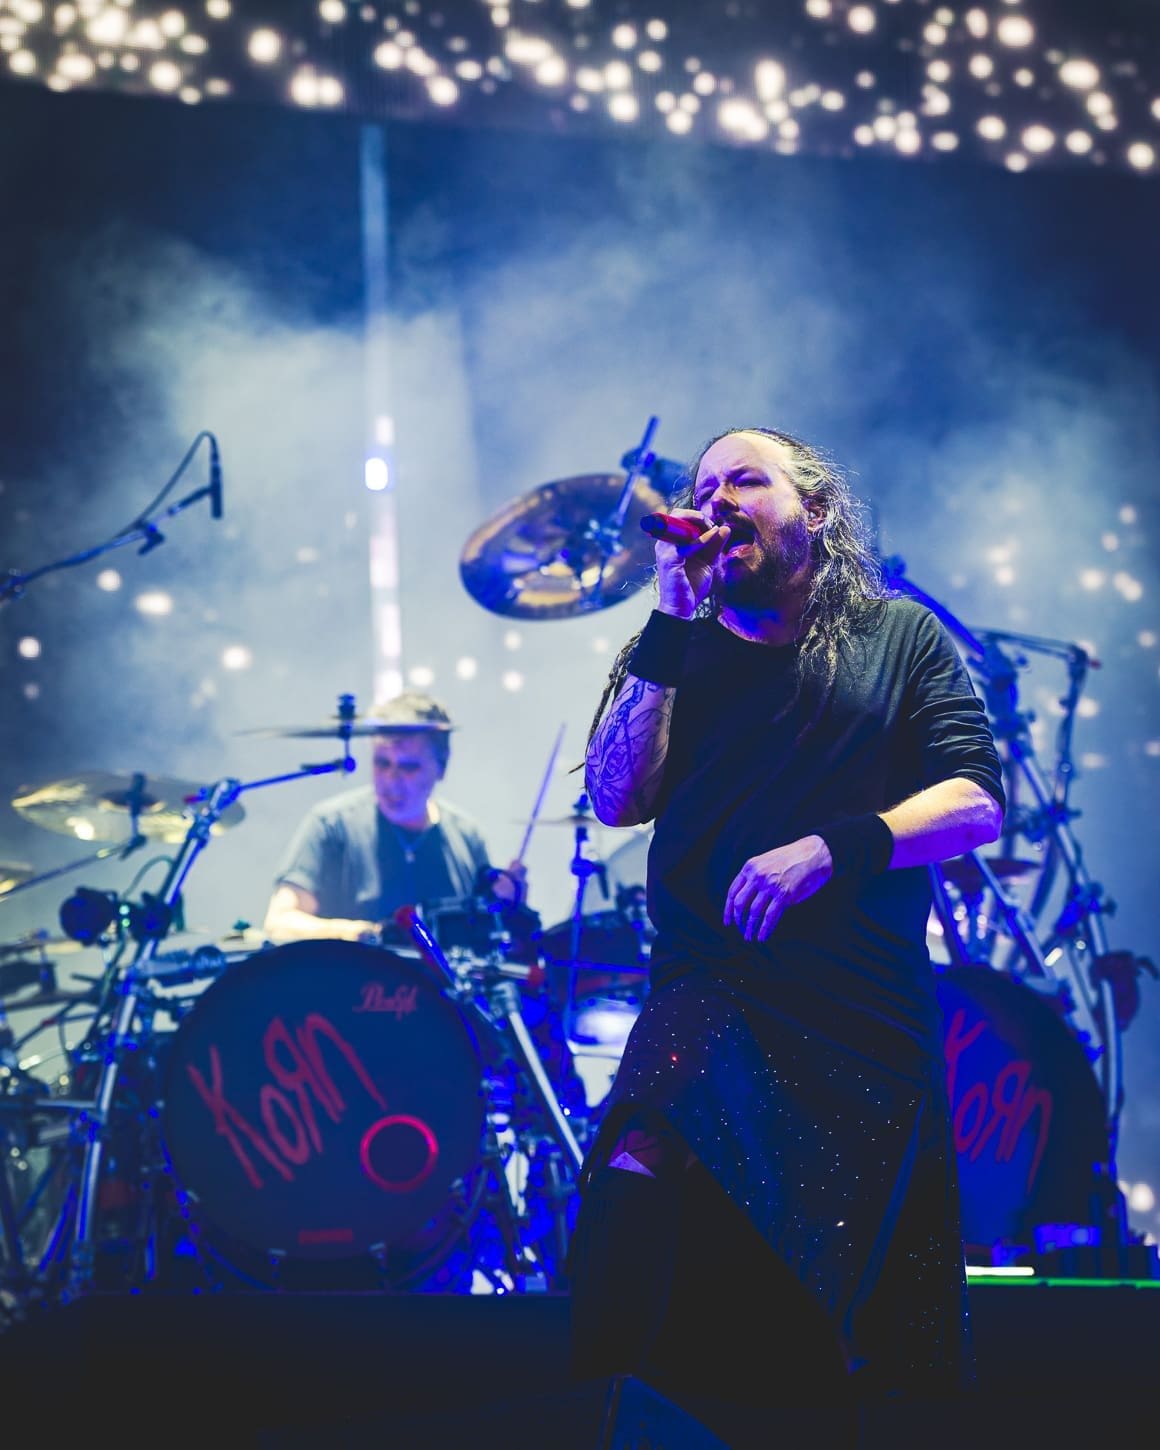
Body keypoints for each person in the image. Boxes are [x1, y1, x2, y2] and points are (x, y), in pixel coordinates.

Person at [568, 426, 1005, 1438]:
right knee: (640, 1150)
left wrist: (833, 846)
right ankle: (594, 1412)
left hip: (853, 1003)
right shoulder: (676, 645)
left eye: (745, 479)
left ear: (813, 508)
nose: (717, 498)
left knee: (815, 1294)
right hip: (713, 979)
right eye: (703, 484)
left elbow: (975, 801)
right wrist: (671, 614)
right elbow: (614, 794)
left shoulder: (899, 637)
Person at [263, 689, 526, 945]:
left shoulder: (467, 836)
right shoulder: (331, 825)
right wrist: (363, 935)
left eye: (408, 767)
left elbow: (489, 944)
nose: (391, 781)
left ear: (442, 766)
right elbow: (280, 922)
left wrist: (511, 908)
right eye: (382, 763)